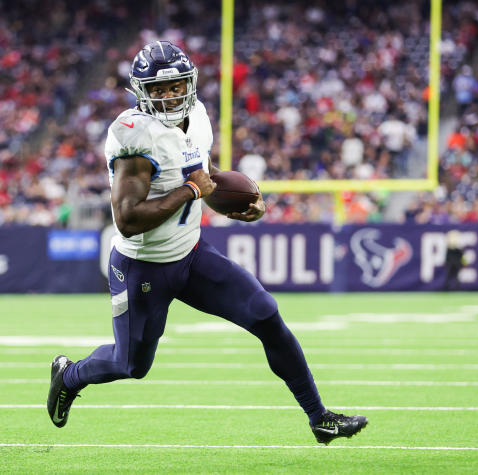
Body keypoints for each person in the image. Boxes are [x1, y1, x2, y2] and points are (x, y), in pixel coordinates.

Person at [46, 41, 367, 445]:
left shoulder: (196, 116)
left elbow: (205, 176)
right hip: (143, 266)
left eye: (176, 86)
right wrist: (192, 192)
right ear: (140, 91)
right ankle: (69, 375)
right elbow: (127, 220)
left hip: (192, 253)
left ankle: (319, 417)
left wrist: (241, 202)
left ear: (189, 84)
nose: (169, 96)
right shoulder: (134, 139)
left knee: (266, 315)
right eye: (158, 90)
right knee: (131, 364)